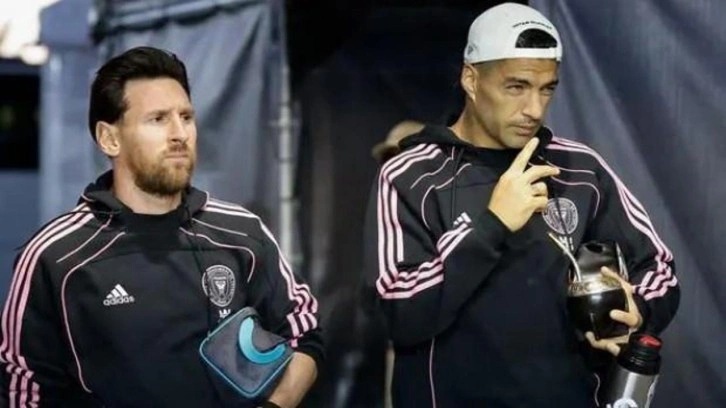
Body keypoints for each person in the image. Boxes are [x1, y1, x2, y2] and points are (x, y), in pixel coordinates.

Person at [363, 3, 679, 407]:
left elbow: (658, 268)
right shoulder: (411, 175)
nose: (534, 109)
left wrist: (638, 309)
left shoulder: (579, 169)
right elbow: (398, 312)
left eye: (547, 89)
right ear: (471, 79)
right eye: (516, 87)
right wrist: (492, 225)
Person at [0, 46, 322, 408]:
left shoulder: (242, 233)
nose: (179, 133)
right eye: (158, 119)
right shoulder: (55, 255)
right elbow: (24, 389)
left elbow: (304, 332)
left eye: (186, 116)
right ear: (109, 138)